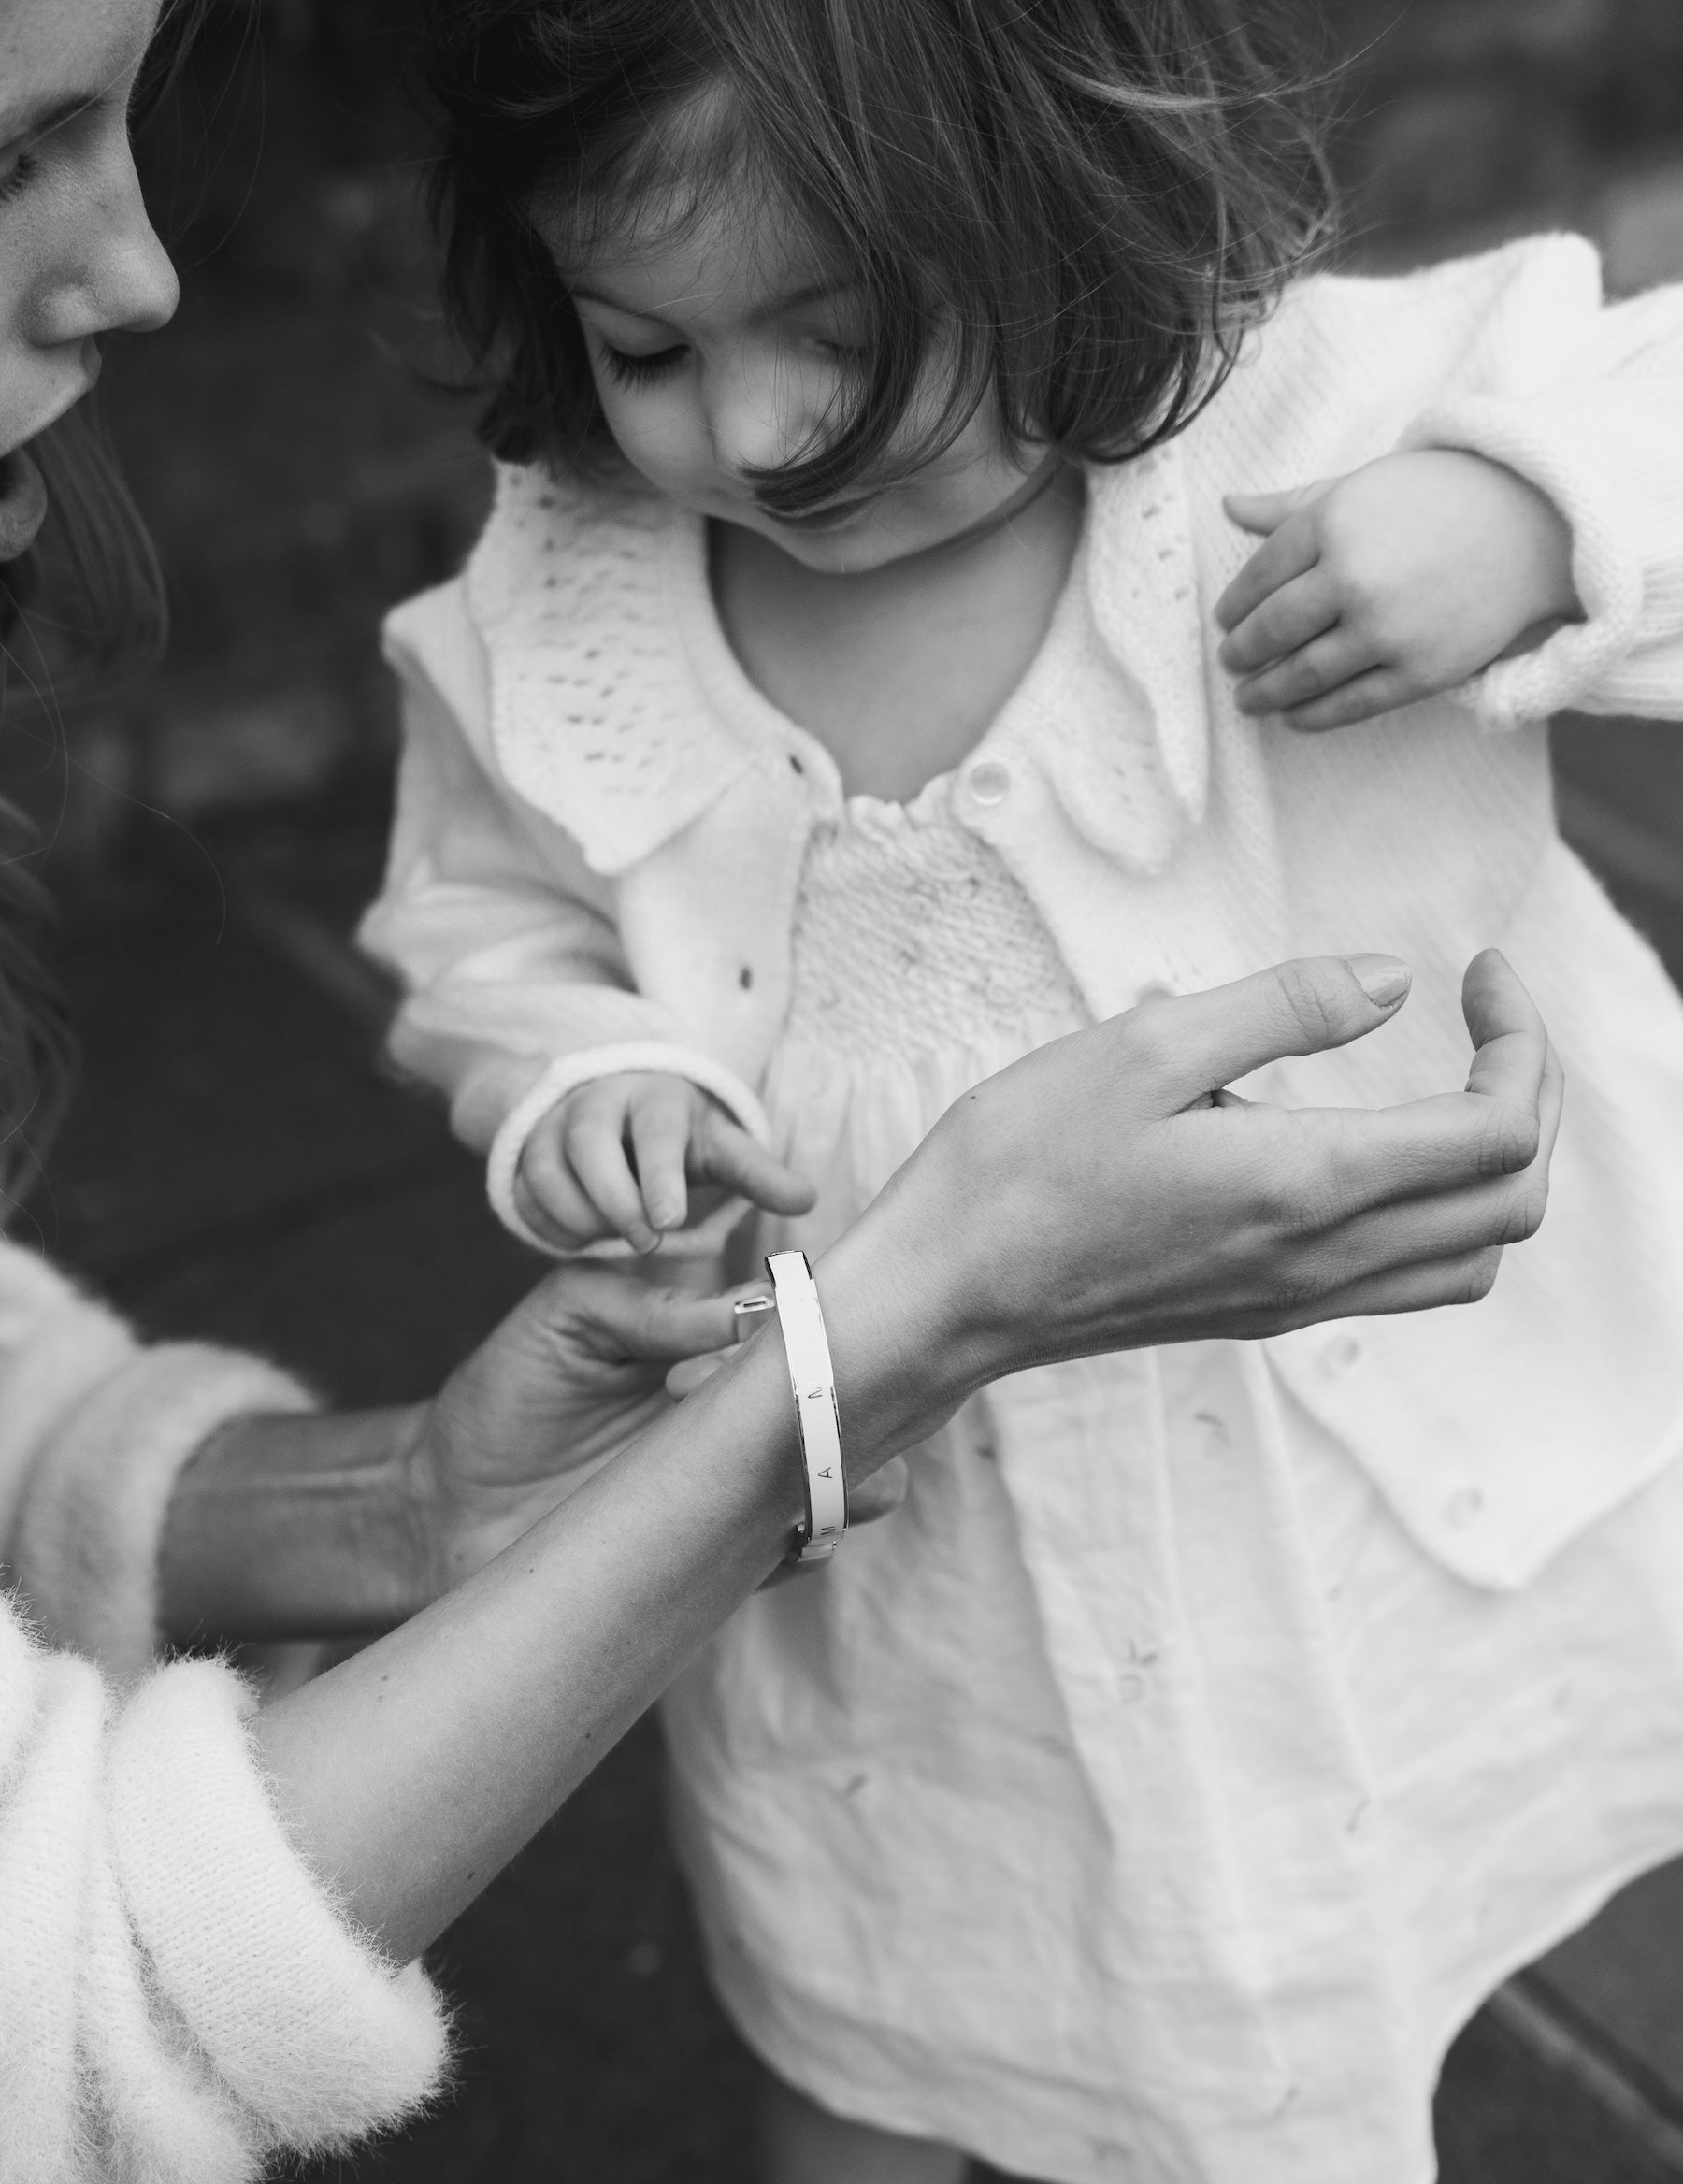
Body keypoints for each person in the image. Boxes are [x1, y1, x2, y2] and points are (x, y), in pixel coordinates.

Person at [0, 1, 1567, 2177]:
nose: (744, 428)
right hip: (896, 1545)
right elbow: (485, 924)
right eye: (643, 347)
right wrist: (593, 1074)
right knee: (885, 1987)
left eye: (833, 334)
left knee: (1372, 1894)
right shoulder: (565, 594)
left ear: (1065, 211)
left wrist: (1526, 512)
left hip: (1362, 1472)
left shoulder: (1311, 425)